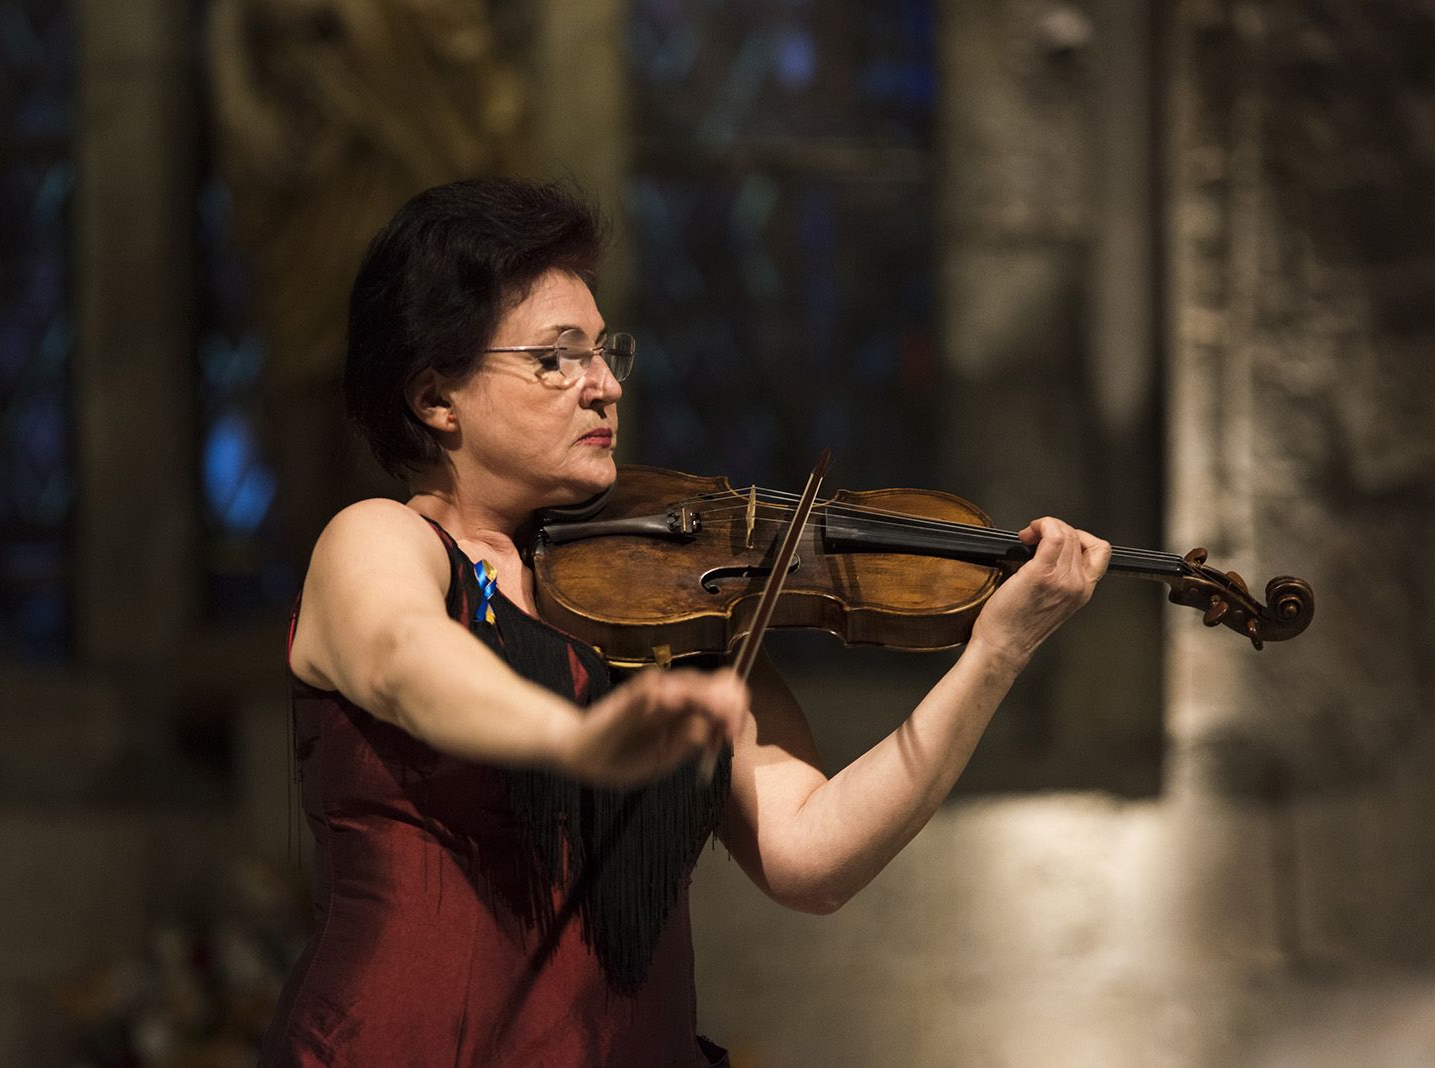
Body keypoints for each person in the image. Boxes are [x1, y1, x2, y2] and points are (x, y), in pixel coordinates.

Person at [261, 178, 1111, 1067]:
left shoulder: (672, 599)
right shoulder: (379, 542)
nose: (603, 388)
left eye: (605, 352)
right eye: (557, 358)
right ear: (437, 398)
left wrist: (995, 655)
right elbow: (406, 659)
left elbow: (809, 858)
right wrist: (575, 739)